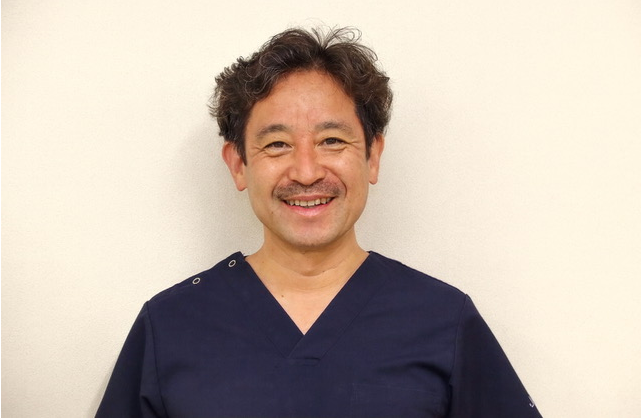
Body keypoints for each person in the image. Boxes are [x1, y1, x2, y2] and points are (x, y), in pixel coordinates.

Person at [96, 26, 541, 418]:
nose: (307, 172)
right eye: (277, 145)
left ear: (372, 156)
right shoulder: (171, 325)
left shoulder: (443, 320)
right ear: (238, 164)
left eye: (332, 140)